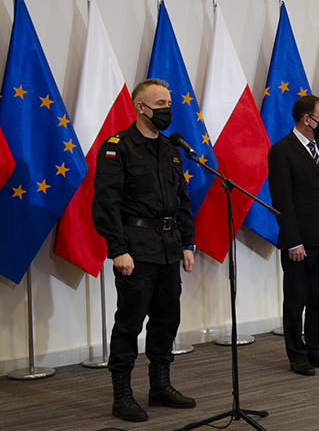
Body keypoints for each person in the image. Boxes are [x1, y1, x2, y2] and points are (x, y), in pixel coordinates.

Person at [92, 78, 197, 422]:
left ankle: (160, 386)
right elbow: (106, 203)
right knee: (130, 321)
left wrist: (187, 242)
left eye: (169, 104)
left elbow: (181, 199)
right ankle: (122, 395)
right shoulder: (117, 147)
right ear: (140, 107)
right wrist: (117, 248)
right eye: (161, 104)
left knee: (167, 319)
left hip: (168, 245)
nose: (168, 109)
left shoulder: (170, 147)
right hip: (135, 248)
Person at [268, 95, 319, 376]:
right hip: (299, 241)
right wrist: (293, 241)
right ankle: (297, 355)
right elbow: (282, 199)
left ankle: (317, 349)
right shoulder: (282, 150)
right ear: (306, 119)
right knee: (296, 300)